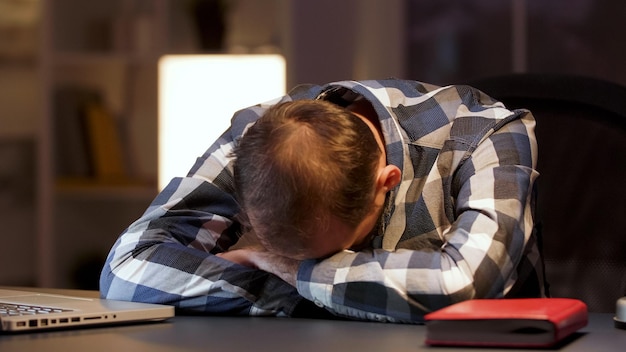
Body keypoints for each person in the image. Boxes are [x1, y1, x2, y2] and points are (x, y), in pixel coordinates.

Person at [100, 79, 545, 323]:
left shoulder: (487, 133)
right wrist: (286, 293)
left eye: (327, 253)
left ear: (384, 183)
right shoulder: (262, 135)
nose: (295, 263)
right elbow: (128, 267)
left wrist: (288, 270)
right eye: (286, 252)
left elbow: (465, 283)